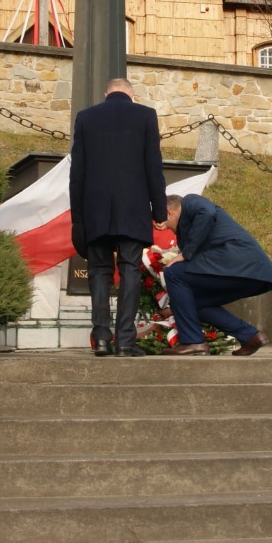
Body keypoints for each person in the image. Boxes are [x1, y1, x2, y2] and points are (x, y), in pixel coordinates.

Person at [69, 77, 167, 356]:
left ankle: (101, 338)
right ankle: (125, 341)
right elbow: (153, 166)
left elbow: (77, 173)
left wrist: (78, 218)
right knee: (129, 270)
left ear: (106, 93)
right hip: (132, 208)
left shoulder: (86, 117)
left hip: (94, 209)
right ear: (131, 94)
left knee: (99, 271)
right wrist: (159, 211)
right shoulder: (145, 115)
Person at [160, 193, 272, 356]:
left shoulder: (190, 201)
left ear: (168, 213)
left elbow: (207, 212)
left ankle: (193, 342)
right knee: (192, 301)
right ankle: (250, 336)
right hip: (252, 272)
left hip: (237, 261)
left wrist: (187, 253)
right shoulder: (189, 230)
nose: (168, 228)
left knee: (173, 272)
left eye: (165, 224)